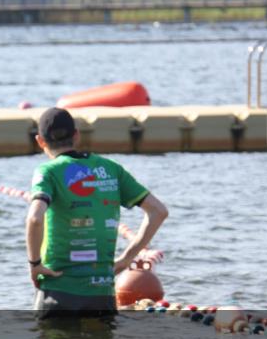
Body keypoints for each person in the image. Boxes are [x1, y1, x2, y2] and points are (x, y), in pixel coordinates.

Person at [25, 108, 168, 319]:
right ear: (76, 135)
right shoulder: (111, 169)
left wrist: (35, 265)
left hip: (58, 289)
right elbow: (159, 211)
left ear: (40, 141)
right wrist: (127, 259)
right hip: (102, 293)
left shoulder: (48, 172)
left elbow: (35, 219)